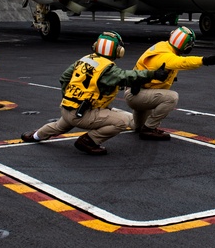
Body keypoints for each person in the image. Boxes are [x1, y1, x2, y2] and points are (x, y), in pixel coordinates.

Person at [21, 31, 167, 155]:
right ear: (118, 51)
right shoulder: (108, 69)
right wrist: (153, 74)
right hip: (83, 114)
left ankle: (35, 135)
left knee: (59, 126)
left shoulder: (85, 59)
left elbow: (64, 78)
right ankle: (90, 141)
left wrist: (71, 98)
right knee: (122, 121)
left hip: (68, 108)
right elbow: (128, 76)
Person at [124, 26, 215, 140]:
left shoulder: (163, 45)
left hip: (139, 91)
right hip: (137, 94)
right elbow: (184, 62)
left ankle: (123, 116)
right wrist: (204, 60)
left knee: (137, 126)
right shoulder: (167, 56)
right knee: (172, 97)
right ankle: (149, 129)